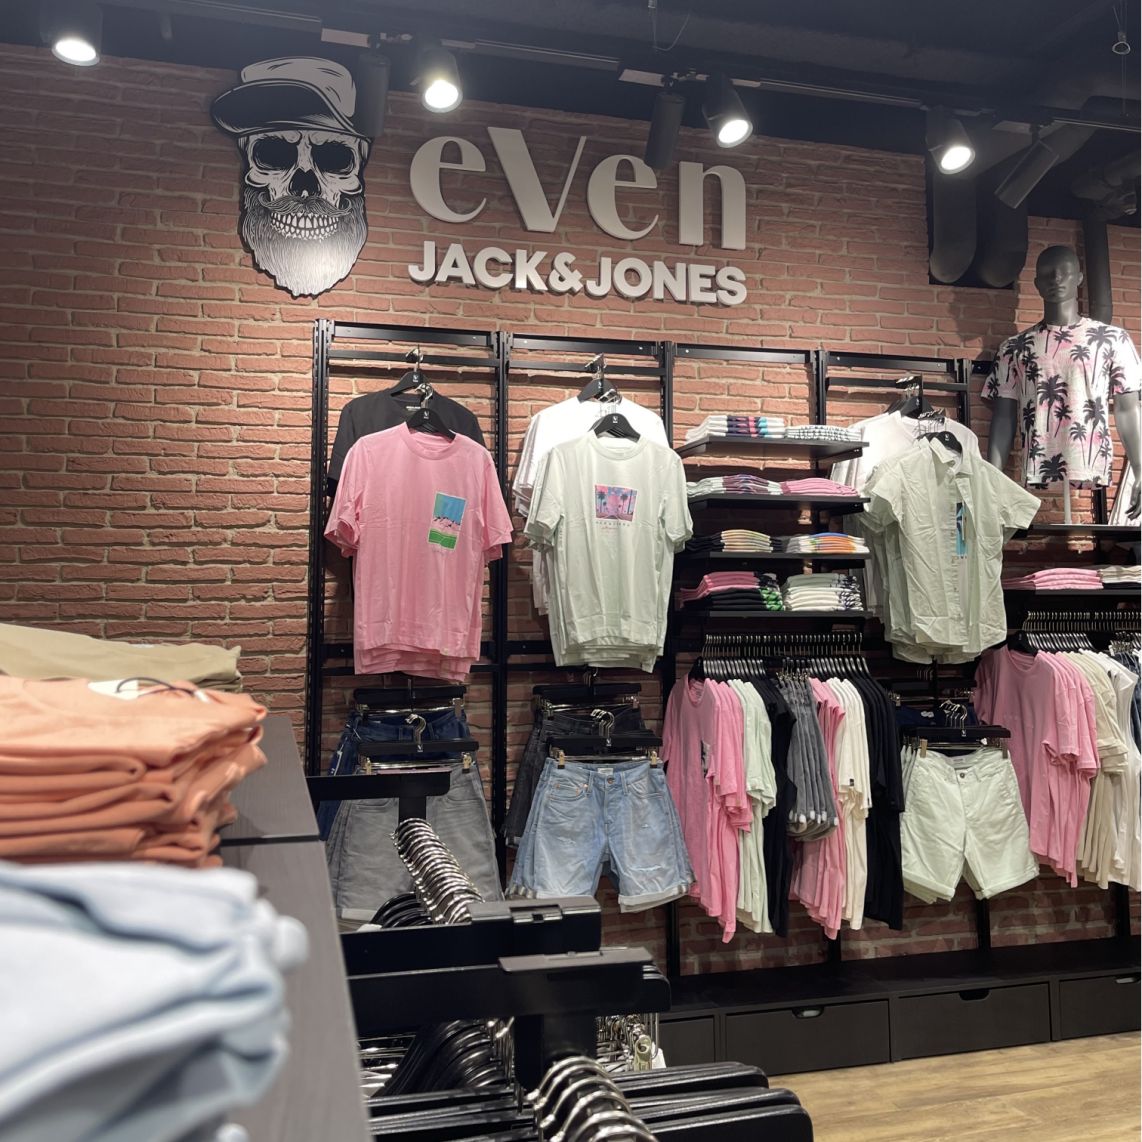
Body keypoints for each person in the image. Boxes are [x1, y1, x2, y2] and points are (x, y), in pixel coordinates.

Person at [984, 245, 1141, 519]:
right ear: (1036, 284)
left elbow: (1128, 408)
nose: (1056, 278)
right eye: (1047, 273)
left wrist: (1140, 469)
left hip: (1089, 459)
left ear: (1079, 277)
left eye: (1064, 272)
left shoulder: (1112, 340)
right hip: (1038, 460)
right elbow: (1003, 416)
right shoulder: (1014, 348)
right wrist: (992, 479)